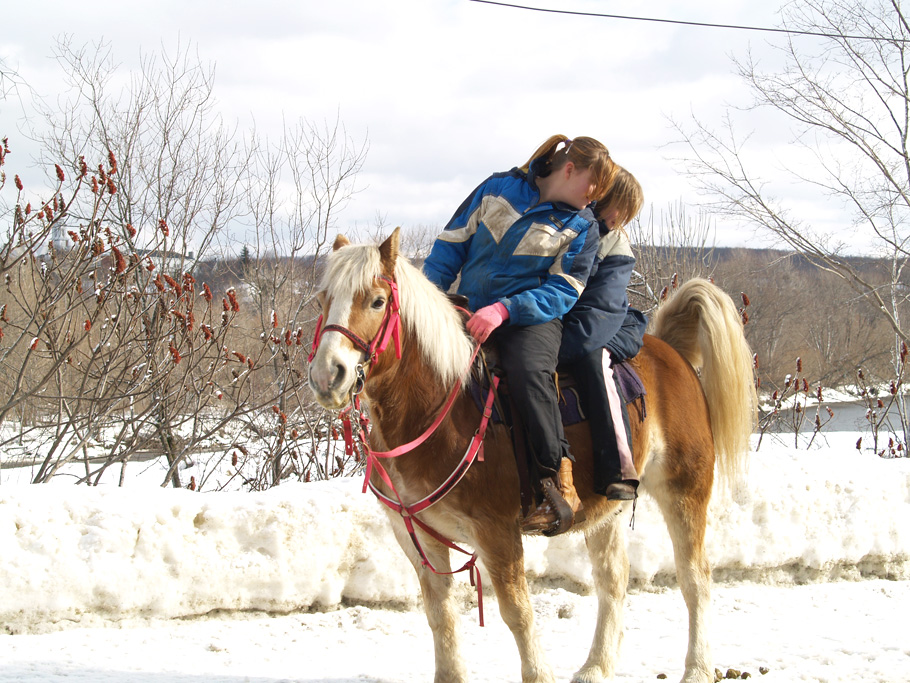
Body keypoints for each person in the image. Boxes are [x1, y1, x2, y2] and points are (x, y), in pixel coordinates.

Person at [423, 134, 617, 535]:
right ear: (570, 170)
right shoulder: (497, 189)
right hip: (469, 307)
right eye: (594, 186)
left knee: (529, 372)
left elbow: (563, 291)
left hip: (532, 319)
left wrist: (505, 310)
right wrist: (427, 302)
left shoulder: (583, 226)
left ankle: (555, 484)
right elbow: (449, 246)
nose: (595, 198)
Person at [559, 167, 646, 500]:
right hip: (569, 322)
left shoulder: (616, 243)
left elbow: (601, 309)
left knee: (596, 361)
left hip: (607, 324)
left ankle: (619, 468)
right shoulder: (573, 224)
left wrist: (561, 347)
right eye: (620, 209)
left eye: (628, 214)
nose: (622, 220)